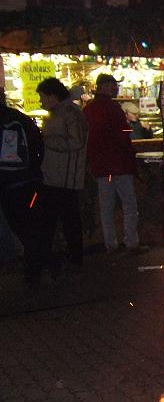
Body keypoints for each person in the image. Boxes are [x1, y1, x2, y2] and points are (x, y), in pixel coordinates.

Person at [83, 74, 147, 254]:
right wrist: (131, 157)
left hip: (101, 166)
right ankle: (131, 242)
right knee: (129, 205)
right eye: (111, 85)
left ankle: (110, 244)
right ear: (101, 87)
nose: (115, 88)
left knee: (106, 208)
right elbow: (123, 134)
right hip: (118, 164)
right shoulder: (113, 108)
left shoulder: (89, 110)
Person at [37, 77, 88, 274]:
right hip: (54, 175)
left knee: (68, 220)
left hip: (65, 178)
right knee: (60, 220)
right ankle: (60, 257)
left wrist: (48, 141)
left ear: (52, 96)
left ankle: (74, 258)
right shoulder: (57, 114)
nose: (41, 102)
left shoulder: (70, 114)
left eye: (43, 97)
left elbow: (76, 142)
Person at [0, 87, 44, 284]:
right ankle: (35, 267)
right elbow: (38, 145)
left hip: (6, 183)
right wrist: (34, 170)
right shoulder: (21, 118)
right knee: (28, 225)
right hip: (26, 181)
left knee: (17, 225)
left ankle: (30, 265)